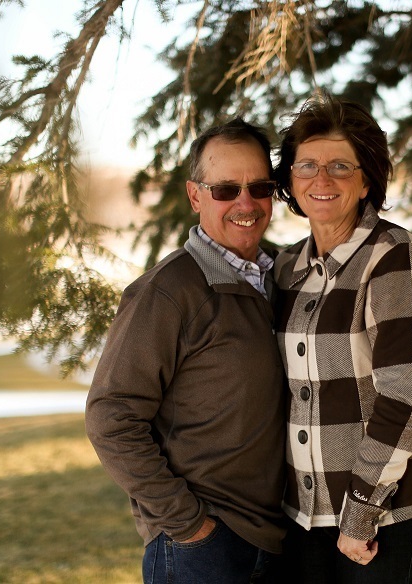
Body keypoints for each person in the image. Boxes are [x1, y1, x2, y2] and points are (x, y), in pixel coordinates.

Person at [85, 118, 286, 584]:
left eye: (259, 187)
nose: (246, 203)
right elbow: (110, 416)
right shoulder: (168, 291)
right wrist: (189, 524)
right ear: (195, 196)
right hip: (202, 549)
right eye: (225, 190)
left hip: (278, 541)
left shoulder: (284, 275)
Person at [272, 93, 412, 583]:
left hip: (385, 517)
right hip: (303, 519)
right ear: (290, 179)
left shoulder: (393, 258)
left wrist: (359, 513)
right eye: (306, 165)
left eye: (340, 166)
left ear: (367, 179)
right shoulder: (286, 267)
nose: (321, 179)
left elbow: (406, 400)